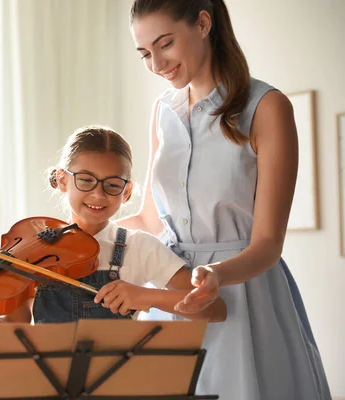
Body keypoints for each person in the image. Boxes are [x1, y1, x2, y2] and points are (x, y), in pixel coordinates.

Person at [118, 1, 332, 399]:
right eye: (145, 53)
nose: (156, 64)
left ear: (203, 23)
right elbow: (150, 220)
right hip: (171, 292)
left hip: (245, 297)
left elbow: (267, 244)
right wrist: (73, 234)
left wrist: (216, 274)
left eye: (164, 44)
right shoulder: (162, 111)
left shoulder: (266, 107)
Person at [0, 126, 226, 329]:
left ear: (127, 191)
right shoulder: (29, 250)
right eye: (86, 180)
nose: (98, 194)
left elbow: (214, 310)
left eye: (113, 185)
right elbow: (17, 330)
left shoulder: (139, 247)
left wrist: (146, 297)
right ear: (63, 180)